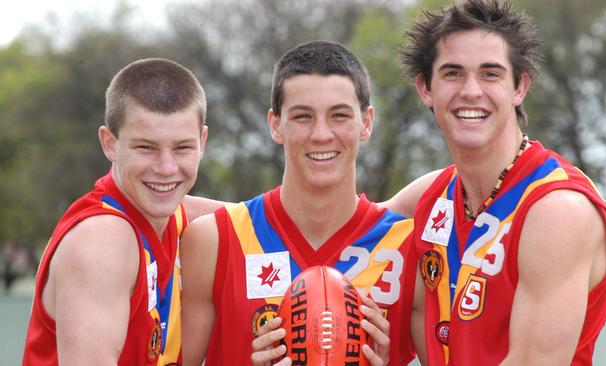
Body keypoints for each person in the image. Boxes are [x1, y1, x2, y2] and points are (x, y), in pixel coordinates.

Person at [386, 0, 606, 365]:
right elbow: (341, 234)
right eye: (452, 73)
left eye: (490, 73)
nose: (471, 91)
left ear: (520, 88)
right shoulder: (432, 197)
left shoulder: (556, 210)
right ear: (425, 88)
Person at [180, 40, 418, 366]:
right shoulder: (214, 239)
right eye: (303, 116)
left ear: (366, 122)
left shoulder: (409, 247)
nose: (321, 134)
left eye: (339, 115)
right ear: (275, 124)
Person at [22, 58, 224, 365]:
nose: (166, 168)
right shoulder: (103, 240)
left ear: (202, 142)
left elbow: (270, 219)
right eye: (146, 147)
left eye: (182, 147)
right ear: (109, 144)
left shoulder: (174, 215)